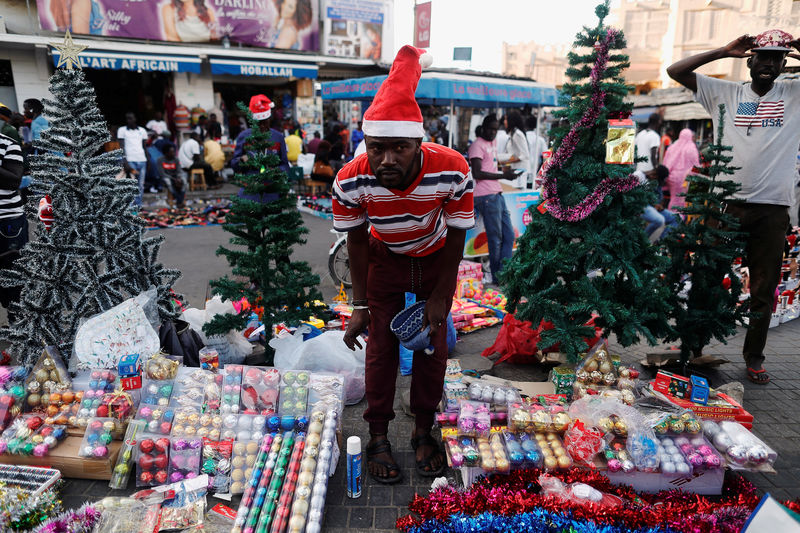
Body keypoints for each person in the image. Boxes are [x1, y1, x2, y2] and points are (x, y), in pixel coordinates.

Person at [333, 46, 474, 484]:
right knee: (380, 351)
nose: (387, 159)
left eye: (400, 148)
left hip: (435, 257)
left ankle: (422, 430)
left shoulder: (452, 170)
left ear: (420, 143)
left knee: (434, 347)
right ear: (366, 145)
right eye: (378, 148)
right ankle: (377, 435)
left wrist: (441, 297)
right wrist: (359, 305)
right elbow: (355, 243)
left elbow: (456, 237)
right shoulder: (350, 179)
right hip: (385, 258)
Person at [666, 29, 800, 384]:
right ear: (750, 60)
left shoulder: (794, 93)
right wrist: (724, 51)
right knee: (707, 279)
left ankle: (754, 357)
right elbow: (675, 71)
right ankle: (693, 348)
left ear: (784, 63)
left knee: (763, 287)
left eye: (776, 58)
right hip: (725, 206)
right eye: (763, 57)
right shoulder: (723, 92)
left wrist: (799, 48)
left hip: (773, 209)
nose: (769, 64)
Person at [468, 115, 517, 284]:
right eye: (490, 129)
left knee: (509, 236)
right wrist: (504, 175)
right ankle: (498, 277)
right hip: (485, 196)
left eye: (496, 129)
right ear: (483, 128)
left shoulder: (493, 143)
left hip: (497, 194)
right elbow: (477, 173)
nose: (493, 132)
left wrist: (506, 173)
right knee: (495, 239)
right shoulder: (477, 145)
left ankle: (504, 273)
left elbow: (492, 164)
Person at [0, 131, 26, 323]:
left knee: (13, 275)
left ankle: (18, 324)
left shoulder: (8, 144)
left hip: (7, 222)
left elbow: (13, 180)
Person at [231, 94, 289, 175]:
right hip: (251, 184)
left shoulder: (278, 137)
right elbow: (234, 166)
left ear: (269, 119)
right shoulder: (243, 136)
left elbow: (285, 165)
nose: (262, 126)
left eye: (265, 122)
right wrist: (242, 160)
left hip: (273, 183)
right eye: (258, 123)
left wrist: (276, 171)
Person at [638, 165, 680, 240]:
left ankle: (661, 243)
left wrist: (659, 205)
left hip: (653, 207)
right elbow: (636, 196)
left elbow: (658, 198)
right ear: (655, 174)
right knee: (659, 220)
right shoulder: (639, 176)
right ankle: (642, 240)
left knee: (676, 218)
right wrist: (653, 204)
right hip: (642, 206)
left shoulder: (655, 182)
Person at [662, 128, 700, 209]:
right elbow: (696, 166)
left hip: (671, 177)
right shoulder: (691, 148)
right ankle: (678, 219)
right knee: (681, 201)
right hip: (684, 179)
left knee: (674, 199)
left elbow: (665, 162)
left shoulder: (672, 147)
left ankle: (671, 217)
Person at [117, 112, 149, 206]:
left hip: (142, 161)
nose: (129, 120)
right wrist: (125, 161)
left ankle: (138, 206)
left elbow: (145, 147)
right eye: (127, 118)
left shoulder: (142, 130)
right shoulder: (122, 130)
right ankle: (130, 206)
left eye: (130, 118)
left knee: (141, 185)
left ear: (135, 119)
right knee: (131, 184)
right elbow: (121, 147)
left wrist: (148, 160)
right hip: (130, 161)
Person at [500, 110, 530, 189]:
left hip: (520, 172)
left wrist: (507, 162)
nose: (504, 122)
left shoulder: (517, 134)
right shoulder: (512, 134)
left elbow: (525, 155)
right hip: (515, 170)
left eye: (506, 119)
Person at [525, 115, 548, 180]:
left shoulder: (522, 138)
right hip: (535, 174)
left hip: (522, 173)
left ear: (525, 125)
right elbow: (547, 158)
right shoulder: (540, 140)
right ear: (535, 126)